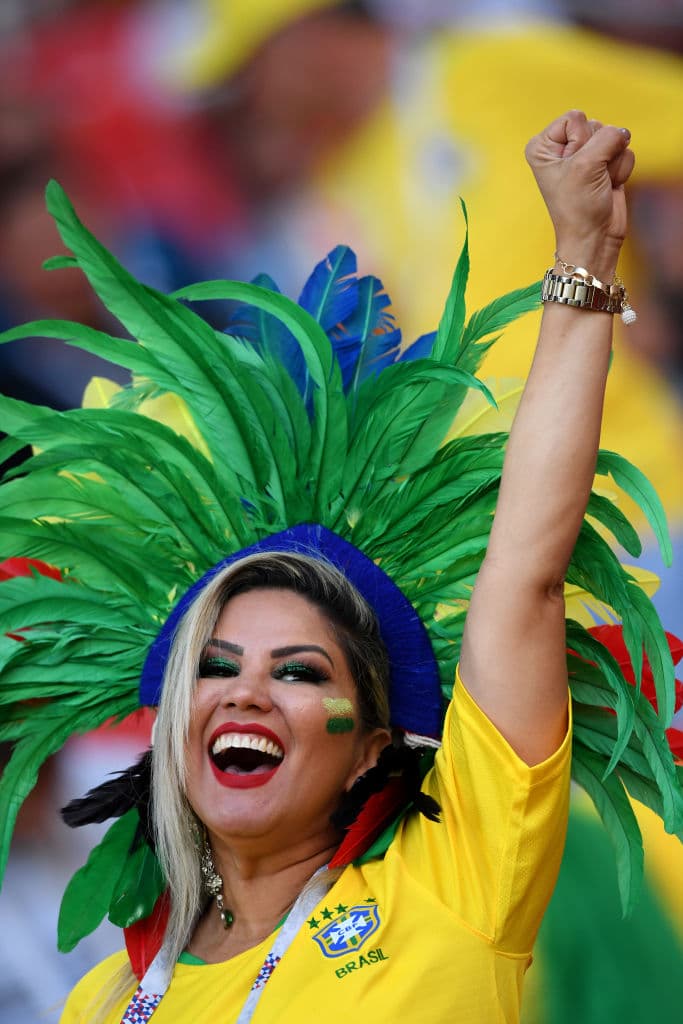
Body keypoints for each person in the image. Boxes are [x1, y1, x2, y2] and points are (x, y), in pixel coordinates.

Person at [0, 113, 679, 1022]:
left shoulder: (453, 881)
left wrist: (585, 254)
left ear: (371, 745)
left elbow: (523, 575)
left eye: (300, 671)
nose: (244, 693)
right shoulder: (108, 997)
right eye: (213, 664)